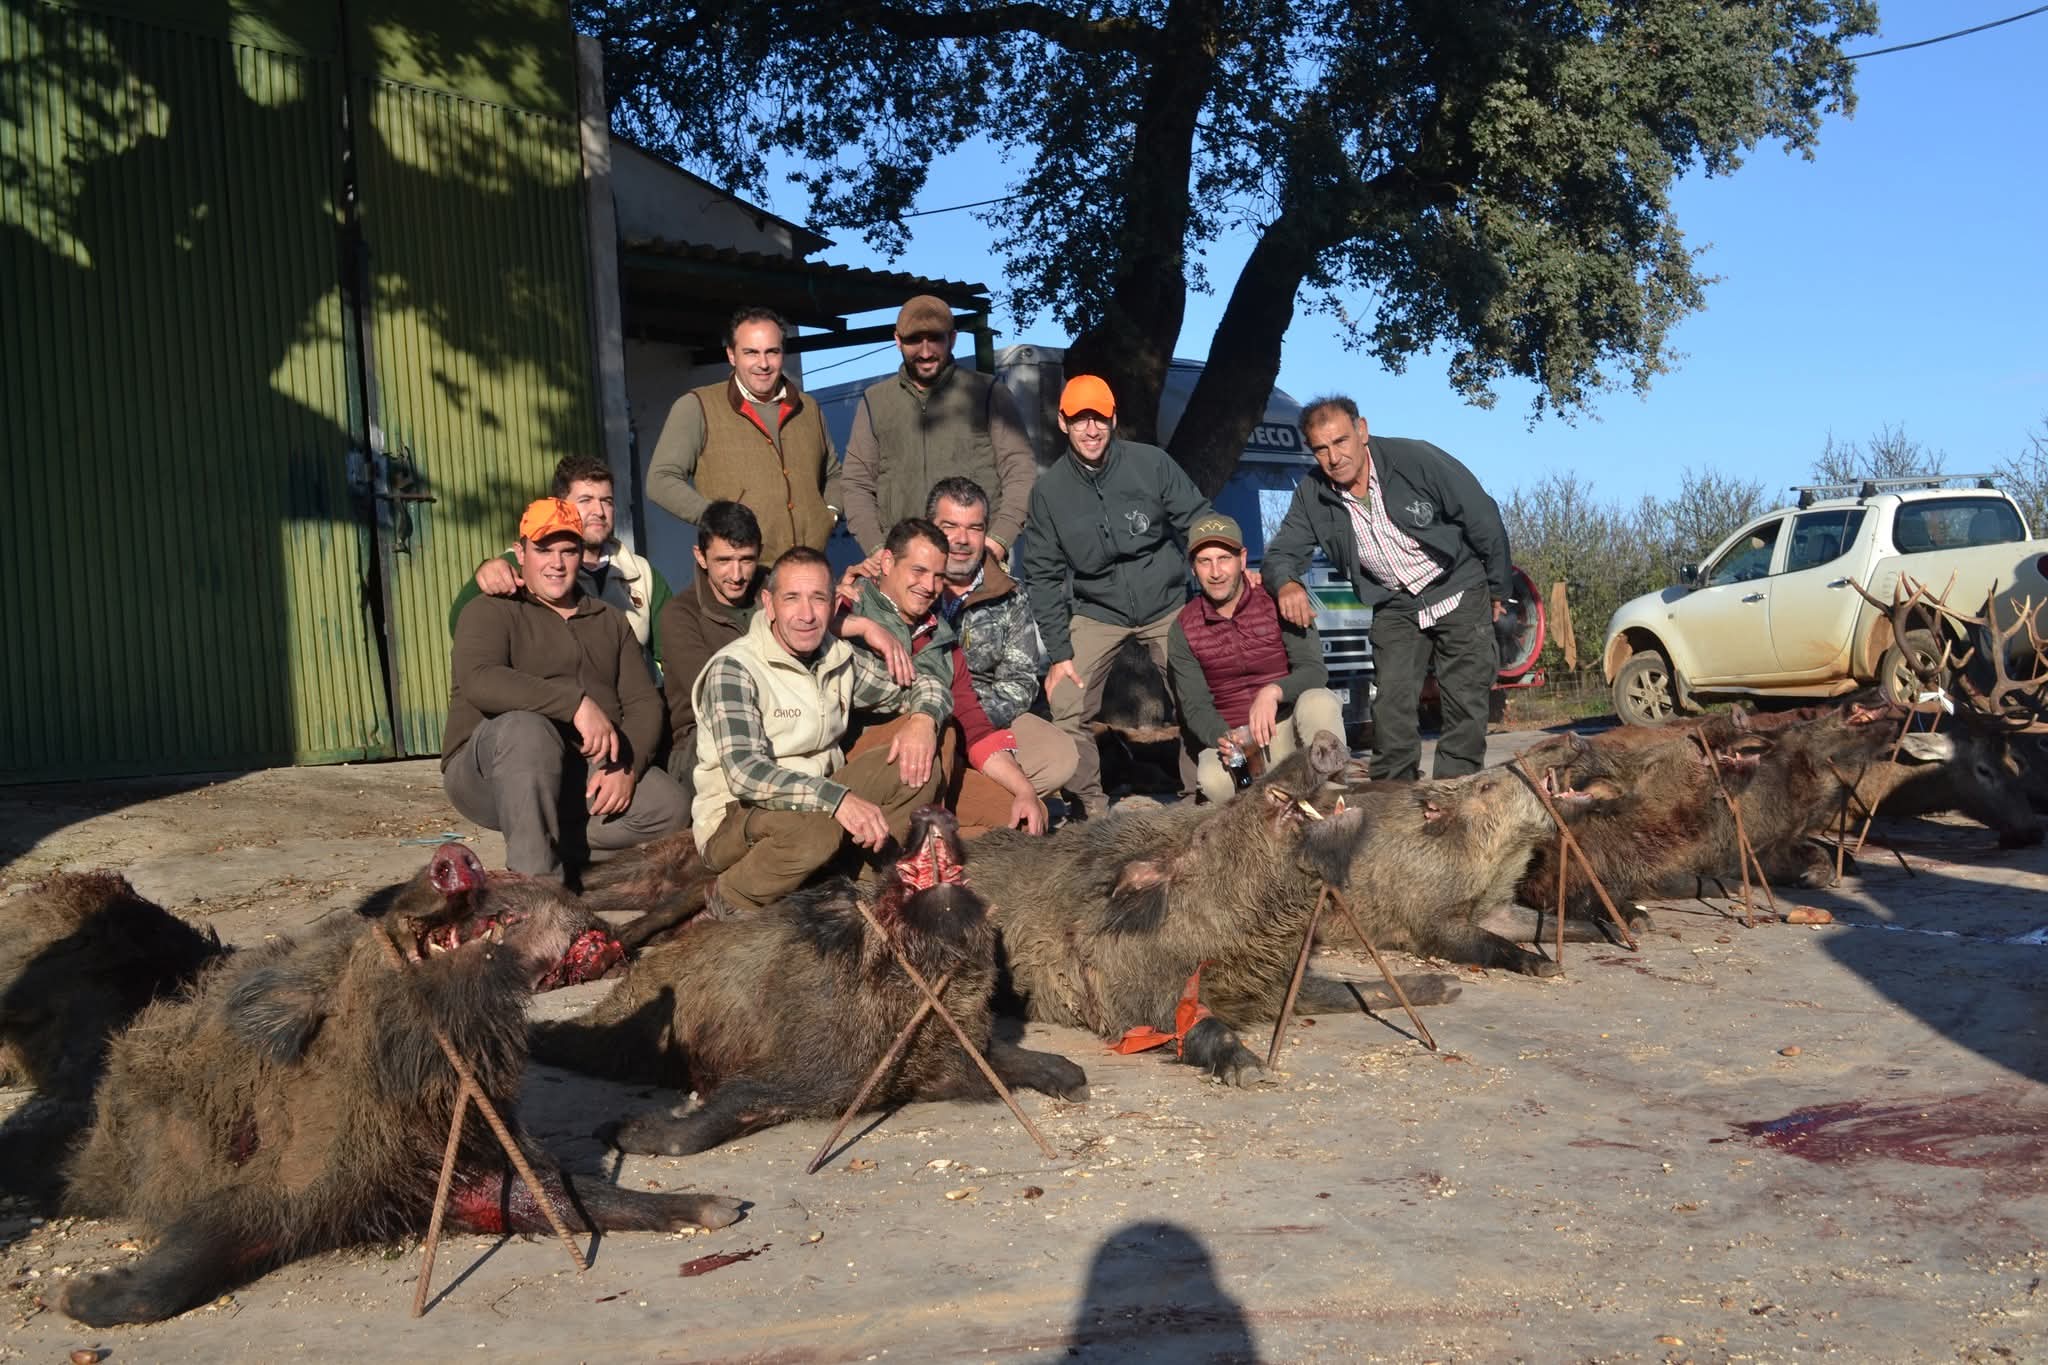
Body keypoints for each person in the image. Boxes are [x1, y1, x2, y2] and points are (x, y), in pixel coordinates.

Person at [691, 547, 951, 918]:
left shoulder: (836, 656)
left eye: (818, 598)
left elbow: (926, 684)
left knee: (916, 766)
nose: (807, 614)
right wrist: (837, 799)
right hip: (738, 815)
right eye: (792, 598)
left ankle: (863, 890)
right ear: (769, 604)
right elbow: (745, 773)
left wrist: (923, 720)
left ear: (833, 604)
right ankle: (732, 896)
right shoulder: (735, 668)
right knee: (815, 833)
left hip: (821, 800)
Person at [1264, 395, 1511, 781]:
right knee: (1391, 707)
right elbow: (1282, 552)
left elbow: (1482, 516)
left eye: (1341, 441)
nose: (1334, 457)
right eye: (1321, 449)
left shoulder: (1415, 460)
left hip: (1456, 586)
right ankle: (1392, 800)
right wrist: (1287, 583)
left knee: (1465, 703)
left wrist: (1497, 587)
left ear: (1361, 430)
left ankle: (1450, 798)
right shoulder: (1312, 495)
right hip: (1395, 602)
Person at [442, 498, 687, 880]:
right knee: (527, 729)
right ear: (520, 553)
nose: (556, 563)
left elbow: (643, 702)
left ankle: (547, 847)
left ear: (580, 555)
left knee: (669, 807)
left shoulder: (609, 620)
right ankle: (536, 890)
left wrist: (629, 766)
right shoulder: (490, 609)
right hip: (492, 770)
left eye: (568, 551)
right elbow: (480, 678)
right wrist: (576, 705)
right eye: (544, 550)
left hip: (578, 768)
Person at [1021, 375, 1212, 818]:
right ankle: (1088, 806)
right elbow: (1043, 576)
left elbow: (1197, 520)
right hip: (1097, 609)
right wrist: (1059, 652)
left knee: (1195, 693)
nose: (1091, 429)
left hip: (1165, 602)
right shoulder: (1048, 493)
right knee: (1066, 701)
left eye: (1099, 418)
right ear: (1062, 422)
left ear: (1113, 419)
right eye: (1080, 419)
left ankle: (1197, 799)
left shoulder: (1152, 463)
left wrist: (1228, 562)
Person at [843, 516, 1066, 837]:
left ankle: (927, 844)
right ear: (888, 563)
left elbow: (975, 728)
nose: (928, 586)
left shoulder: (940, 637)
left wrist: (1025, 790)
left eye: (938, 576)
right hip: (862, 764)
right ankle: (903, 845)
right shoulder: (850, 604)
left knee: (1026, 817)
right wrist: (859, 625)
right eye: (918, 571)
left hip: (928, 770)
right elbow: (802, 625)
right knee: (942, 730)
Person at [927, 476, 1079, 825]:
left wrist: (971, 723)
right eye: (949, 526)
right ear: (930, 528)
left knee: (1059, 757)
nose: (962, 539)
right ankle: (985, 800)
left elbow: (1020, 682)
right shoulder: (910, 584)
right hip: (923, 714)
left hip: (987, 714)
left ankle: (970, 793)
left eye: (974, 528)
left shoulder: (1010, 594)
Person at [1167, 512, 1346, 803]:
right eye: (1204, 561)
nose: (1216, 572)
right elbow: (1195, 706)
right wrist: (1227, 738)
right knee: (1212, 781)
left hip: (1288, 729)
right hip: (1237, 739)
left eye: (1224, 558)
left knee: (1320, 701)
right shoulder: (1183, 627)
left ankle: (1333, 801)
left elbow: (1314, 670)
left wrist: (1273, 692)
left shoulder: (1279, 600)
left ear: (1242, 558)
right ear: (1193, 567)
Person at [839, 295, 1037, 558]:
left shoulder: (988, 393)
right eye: (913, 340)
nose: (925, 352)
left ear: (952, 338)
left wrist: (997, 542)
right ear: (897, 340)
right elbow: (856, 484)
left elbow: (1020, 471)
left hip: (975, 557)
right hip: (903, 561)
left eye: (935, 338)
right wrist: (877, 549)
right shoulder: (875, 402)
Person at [645, 306, 840, 565]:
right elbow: (660, 480)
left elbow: (834, 474)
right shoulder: (697, 406)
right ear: (731, 355)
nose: (763, 363)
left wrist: (829, 515)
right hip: (742, 573)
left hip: (809, 570)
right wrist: (717, 519)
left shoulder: (808, 408)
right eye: (751, 352)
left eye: (772, 351)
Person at [449, 455, 670, 676]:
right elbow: (462, 623)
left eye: (607, 501)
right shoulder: (522, 565)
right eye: (586, 500)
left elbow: (672, 651)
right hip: (547, 695)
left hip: (629, 694)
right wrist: (486, 572)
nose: (599, 511)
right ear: (559, 506)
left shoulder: (642, 574)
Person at [655, 500, 764, 808]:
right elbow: (713, 696)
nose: (737, 574)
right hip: (701, 739)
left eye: (746, 559)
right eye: (724, 560)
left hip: (780, 720)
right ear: (700, 557)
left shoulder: (775, 592)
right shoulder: (679, 615)